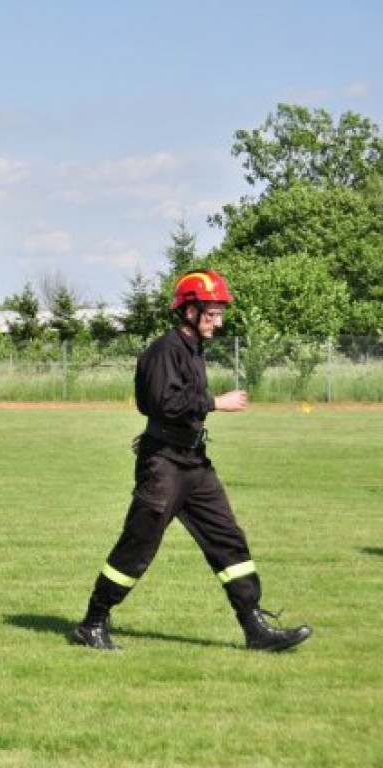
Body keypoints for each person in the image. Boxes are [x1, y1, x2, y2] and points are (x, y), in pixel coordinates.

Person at [74, 270, 312, 652]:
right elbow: (158, 403)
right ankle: (93, 623)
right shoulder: (165, 349)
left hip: (194, 463)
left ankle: (256, 629)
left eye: (220, 313)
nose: (218, 321)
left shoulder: (193, 351)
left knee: (228, 540)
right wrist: (215, 402)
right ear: (189, 311)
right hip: (163, 465)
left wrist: (205, 408)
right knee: (138, 545)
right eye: (212, 313)